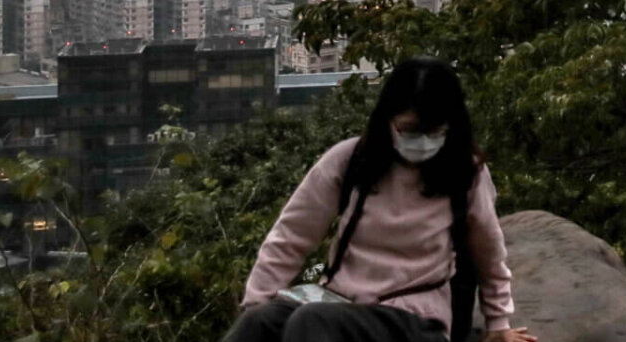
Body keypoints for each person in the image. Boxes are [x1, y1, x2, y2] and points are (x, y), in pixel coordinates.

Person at [228, 58, 533, 342]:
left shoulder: (466, 174)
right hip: (341, 301)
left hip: (416, 319)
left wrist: (499, 325)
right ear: (388, 119)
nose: (423, 142)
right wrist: (256, 301)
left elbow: (490, 255)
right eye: (410, 130)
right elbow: (291, 236)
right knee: (259, 323)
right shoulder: (351, 161)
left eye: (435, 132)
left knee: (312, 322)